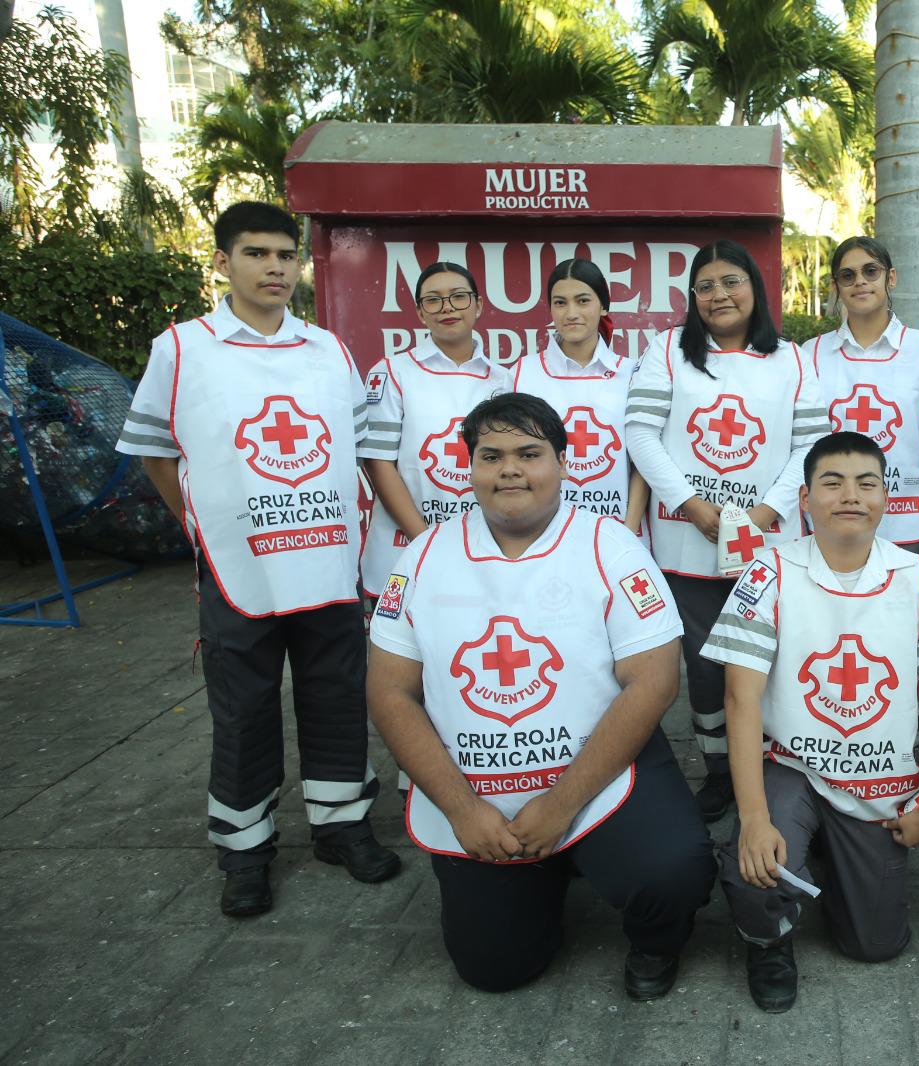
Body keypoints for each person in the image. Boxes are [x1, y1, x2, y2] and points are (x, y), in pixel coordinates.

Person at [366, 393, 715, 997]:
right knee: (494, 970)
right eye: (490, 455)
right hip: (478, 791)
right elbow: (390, 693)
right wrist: (461, 810)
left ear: (563, 461)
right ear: (469, 466)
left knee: (674, 870)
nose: (509, 470)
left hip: (599, 776)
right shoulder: (422, 557)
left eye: (529, 453)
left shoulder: (611, 546)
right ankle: (546, 875)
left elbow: (655, 681)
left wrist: (557, 808)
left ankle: (654, 940)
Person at [113, 201, 398, 918]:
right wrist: (199, 523)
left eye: (284, 255)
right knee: (242, 710)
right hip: (241, 570)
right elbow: (153, 450)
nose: (275, 268)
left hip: (328, 563)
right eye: (256, 254)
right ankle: (246, 852)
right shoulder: (182, 347)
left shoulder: (328, 349)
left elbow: (359, 451)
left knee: (337, 697)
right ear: (222, 262)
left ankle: (341, 827)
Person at [702, 432, 919, 1012]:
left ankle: (833, 857)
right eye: (832, 483)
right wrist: (753, 818)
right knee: (756, 863)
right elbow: (741, 700)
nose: (850, 496)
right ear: (804, 499)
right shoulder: (769, 574)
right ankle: (768, 937)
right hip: (793, 769)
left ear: (888, 497)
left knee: (875, 944)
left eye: (867, 483)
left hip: (877, 782)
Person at [625, 240, 829, 821]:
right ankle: (720, 769)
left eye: (732, 281)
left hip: (768, 541)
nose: (720, 295)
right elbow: (641, 432)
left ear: (755, 290)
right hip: (687, 539)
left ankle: (774, 765)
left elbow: (809, 444)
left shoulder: (791, 359)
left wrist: (761, 515)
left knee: (773, 655)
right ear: (693, 298)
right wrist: (692, 505)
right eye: (706, 286)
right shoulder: (668, 351)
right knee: (706, 664)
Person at [806, 236, 919, 571]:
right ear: (836, 286)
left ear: (891, 277)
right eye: (848, 275)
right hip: (830, 526)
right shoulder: (811, 354)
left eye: (870, 271)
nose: (859, 281)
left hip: (908, 526)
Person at [359, 261, 510, 600]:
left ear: (479, 305)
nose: (447, 308)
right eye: (433, 300)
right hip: (406, 546)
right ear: (419, 312)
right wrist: (426, 541)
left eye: (458, 297)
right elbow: (377, 463)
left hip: (484, 548)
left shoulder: (505, 380)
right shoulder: (393, 372)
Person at [511, 258, 650, 530]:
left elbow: (643, 462)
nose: (571, 312)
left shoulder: (633, 374)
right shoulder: (521, 374)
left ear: (604, 306)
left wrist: (629, 530)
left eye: (583, 300)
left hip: (618, 529)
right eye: (560, 302)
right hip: (543, 533)